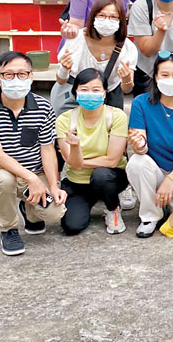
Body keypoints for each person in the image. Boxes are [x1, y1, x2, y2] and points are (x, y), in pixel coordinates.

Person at [0, 52, 67, 256]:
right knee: (4, 180)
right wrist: (31, 178)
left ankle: (29, 212)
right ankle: (9, 229)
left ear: (31, 76)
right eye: (9, 74)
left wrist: (53, 185)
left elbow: (47, 149)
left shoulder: (44, 107)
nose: (16, 79)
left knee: (55, 212)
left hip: (34, 171)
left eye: (22, 74)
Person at [125, 51, 173, 238]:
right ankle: (150, 216)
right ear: (156, 76)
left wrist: (170, 180)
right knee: (136, 163)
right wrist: (139, 145)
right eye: (164, 75)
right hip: (155, 169)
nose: (170, 80)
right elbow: (140, 142)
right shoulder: (141, 103)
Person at [56, 68, 129, 236]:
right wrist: (75, 147)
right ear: (75, 92)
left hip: (110, 176)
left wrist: (79, 161)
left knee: (101, 175)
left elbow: (112, 160)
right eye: (84, 89)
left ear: (104, 93)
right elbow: (73, 164)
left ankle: (112, 208)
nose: (90, 94)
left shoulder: (116, 116)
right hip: (78, 181)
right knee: (71, 226)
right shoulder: (64, 120)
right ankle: (92, 199)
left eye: (96, 90)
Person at [52, 0, 138, 115]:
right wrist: (64, 69)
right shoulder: (77, 39)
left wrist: (126, 79)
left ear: (121, 20)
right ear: (93, 17)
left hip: (108, 98)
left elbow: (127, 89)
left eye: (113, 17)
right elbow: (61, 80)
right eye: (101, 15)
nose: (107, 21)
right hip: (74, 95)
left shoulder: (128, 48)